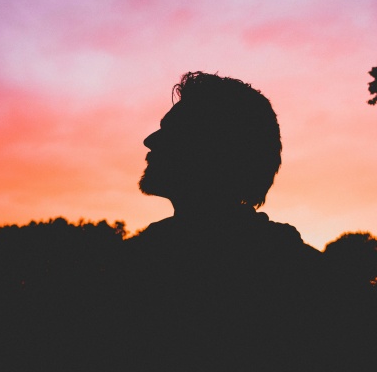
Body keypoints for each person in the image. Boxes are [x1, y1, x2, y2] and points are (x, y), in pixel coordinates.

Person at [125, 71, 326, 370]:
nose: (150, 140)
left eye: (172, 131)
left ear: (213, 149)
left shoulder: (136, 271)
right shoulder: (304, 273)